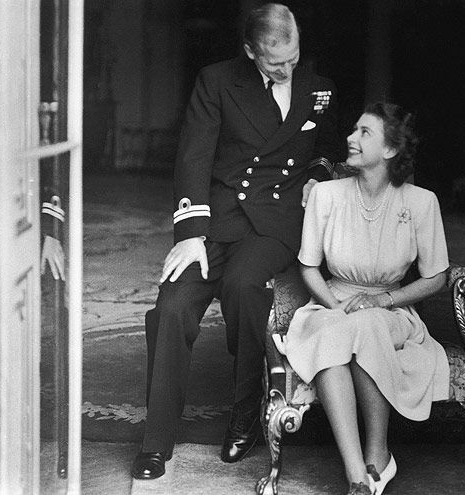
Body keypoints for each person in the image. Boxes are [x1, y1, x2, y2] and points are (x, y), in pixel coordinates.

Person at [131, 3, 342, 480]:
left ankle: (246, 410)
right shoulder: (217, 81)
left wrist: (318, 175)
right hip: (217, 218)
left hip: (275, 224)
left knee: (246, 286)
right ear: (250, 51)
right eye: (274, 63)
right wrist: (190, 236)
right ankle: (156, 441)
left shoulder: (318, 87)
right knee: (172, 304)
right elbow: (194, 158)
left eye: (293, 58)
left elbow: (327, 146)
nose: (287, 70)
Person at [284, 101, 450, 495]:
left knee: (368, 323)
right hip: (332, 302)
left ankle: (379, 451)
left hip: (390, 310)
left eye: (364, 133)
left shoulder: (421, 202)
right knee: (336, 333)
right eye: (353, 130)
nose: (350, 138)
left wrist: (385, 301)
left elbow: (437, 277)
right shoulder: (326, 195)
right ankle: (357, 475)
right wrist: (333, 305)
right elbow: (309, 266)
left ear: (390, 150)